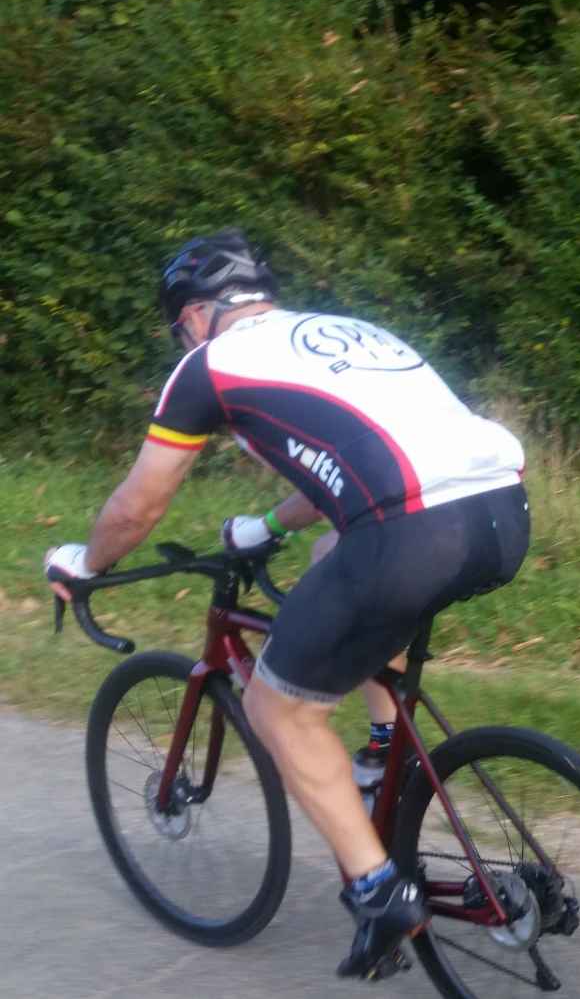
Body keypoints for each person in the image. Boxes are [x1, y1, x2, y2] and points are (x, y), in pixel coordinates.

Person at [44, 229, 530, 978]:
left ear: (197, 315)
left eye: (180, 328)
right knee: (336, 554)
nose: (183, 341)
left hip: (412, 533)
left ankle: (379, 895)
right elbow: (352, 459)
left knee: (277, 709)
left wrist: (87, 562)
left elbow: (140, 504)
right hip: (502, 514)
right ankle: (384, 750)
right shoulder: (342, 331)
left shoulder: (209, 365)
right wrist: (264, 526)